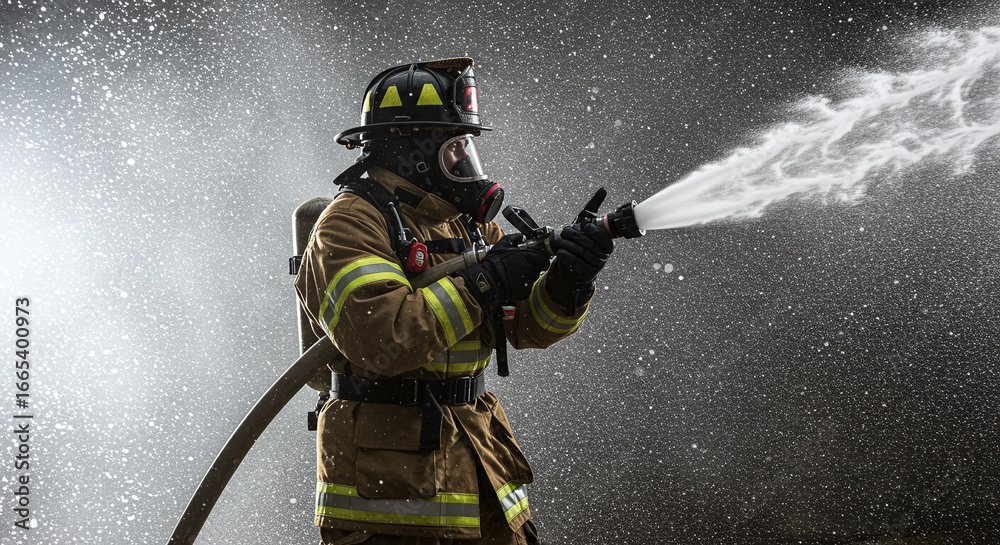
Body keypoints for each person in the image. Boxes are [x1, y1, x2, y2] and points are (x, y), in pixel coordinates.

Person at [294, 57, 615, 545]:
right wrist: (486, 281)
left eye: (467, 147)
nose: (467, 164)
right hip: (392, 502)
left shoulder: (465, 225)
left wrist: (569, 281)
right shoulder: (349, 225)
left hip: (479, 465)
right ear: (414, 151)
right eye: (455, 148)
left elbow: (527, 329)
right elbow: (388, 339)